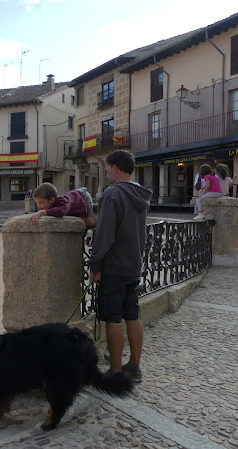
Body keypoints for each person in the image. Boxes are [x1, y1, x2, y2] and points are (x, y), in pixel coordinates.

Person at [89, 150, 151, 383]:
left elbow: (104, 234)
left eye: (106, 168)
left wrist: (95, 265)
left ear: (115, 167)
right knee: (132, 315)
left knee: (112, 318)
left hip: (113, 266)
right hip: (133, 264)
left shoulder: (112, 194)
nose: (106, 172)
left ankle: (115, 370)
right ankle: (134, 366)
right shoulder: (140, 193)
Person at [30, 183, 96, 228]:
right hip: (73, 199)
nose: (38, 205)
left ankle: (97, 212)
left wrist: (42, 212)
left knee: (89, 223)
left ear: (52, 200)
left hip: (82, 196)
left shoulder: (63, 202)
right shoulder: (49, 202)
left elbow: (61, 211)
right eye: (37, 203)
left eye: (41, 202)